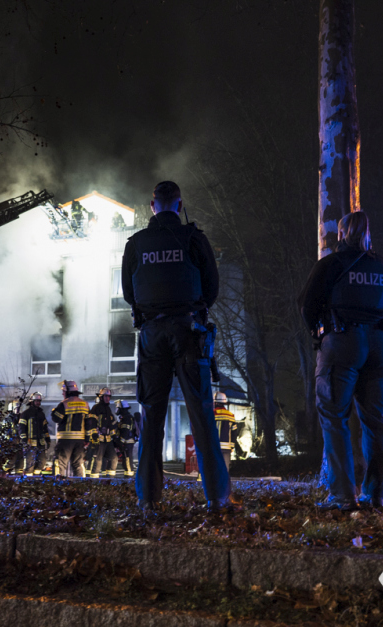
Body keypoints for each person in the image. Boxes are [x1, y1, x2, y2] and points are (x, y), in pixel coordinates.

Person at [122, 180, 230, 511]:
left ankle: (149, 500)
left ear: (152, 205)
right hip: (189, 331)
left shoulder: (137, 243)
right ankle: (217, 498)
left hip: (152, 334)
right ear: (179, 205)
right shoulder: (194, 238)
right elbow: (212, 287)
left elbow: (129, 293)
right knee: (201, 415)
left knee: (152, 416)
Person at [300, 211, 383, 510]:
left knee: (334, 418)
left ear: (342, 234)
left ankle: (343, 496)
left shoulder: (330, 265)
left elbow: (308, 305)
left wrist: (320, 335)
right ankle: (376, 495)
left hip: (342, 343)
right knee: (376, 422)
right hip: (381, 347)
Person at [51, 380, 90, 477]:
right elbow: (89, 423)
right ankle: (80, 487)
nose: (62, 393)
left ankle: (58, 487)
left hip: (65, 440)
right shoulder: (85, 404)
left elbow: (56, 418)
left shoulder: (64, 404)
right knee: (78, 464)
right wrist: (87, 439)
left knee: (60, 464)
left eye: (63, 391)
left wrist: (54, 411)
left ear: (68, 391)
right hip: (80, 440)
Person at [18, 392, 50, 475]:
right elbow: (21, 428)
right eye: (37, 401)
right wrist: (24, 440)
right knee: (29, 464)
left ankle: (36, 478)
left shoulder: (41, 414)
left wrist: (48, 440)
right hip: (30, 443)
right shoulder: (26, 414)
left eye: (39, 401)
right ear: (32, 402)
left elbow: (45, 428)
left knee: (42, 462)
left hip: (40, 443)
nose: (38, 403)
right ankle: (27, 481)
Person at [90, 388, 119, 478]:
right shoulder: (96, 408)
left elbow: (111, 425)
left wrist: (115, 438)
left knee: (114, 459)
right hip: (99, 439)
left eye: (109, 396)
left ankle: (110, 480)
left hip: (108, 439)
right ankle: (94, 482)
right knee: (98, 461)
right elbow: (91, 422)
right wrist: (94, 434)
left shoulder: (108, 409)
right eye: (106, 396)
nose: (108, 398)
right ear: (101, 397)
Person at [213, 392, 238, 473]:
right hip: (227, 448)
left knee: (215, 470)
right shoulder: (230, 415)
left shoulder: (212, 414)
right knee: (225, 470)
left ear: (216, 402)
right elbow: (234, 432)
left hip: (215, 446)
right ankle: (225, 485)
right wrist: (232, 446)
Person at [115, 400, 138, 477]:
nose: (117, 410)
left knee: (128, 460)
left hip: (127, 442)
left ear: (122, 409)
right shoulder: (126, 417)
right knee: (126, 460)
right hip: (127, 442)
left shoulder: (127, 418)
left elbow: (125, 431)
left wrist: (121, 442)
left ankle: (129, 477)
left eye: (118, 408)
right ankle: (127, 476)